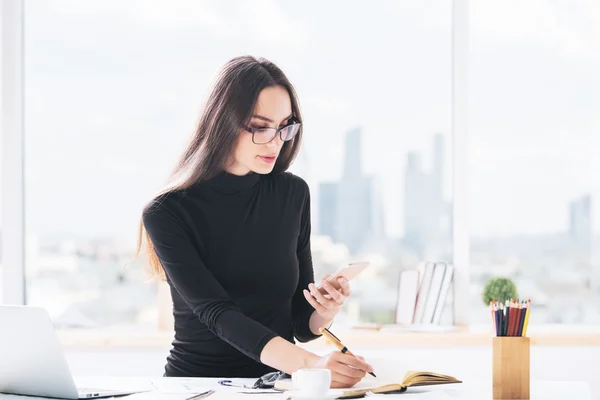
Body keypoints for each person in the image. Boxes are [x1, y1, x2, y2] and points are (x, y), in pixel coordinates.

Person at [136, 56, 373, 388]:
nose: (276, 141)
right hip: (198, 388)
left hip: (279, 387)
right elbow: (219, 316)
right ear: (222, 123)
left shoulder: (293, 194)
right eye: (260, 127)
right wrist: (313, 366)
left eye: (284, 126)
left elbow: (301, 326)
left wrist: (324, 310)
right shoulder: (167, 212)